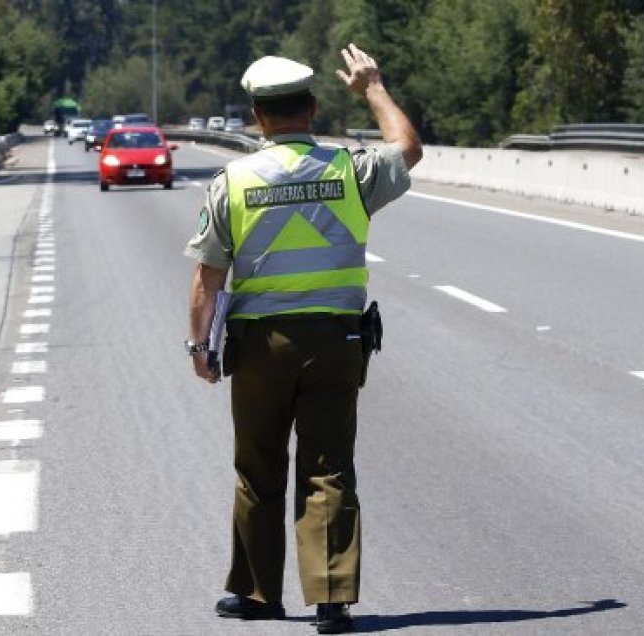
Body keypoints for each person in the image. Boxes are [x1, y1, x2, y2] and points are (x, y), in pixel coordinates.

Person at [183, 43, 422, 635]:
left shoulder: (233, 181)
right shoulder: (349, 170)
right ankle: (333, 598)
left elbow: (207, 277)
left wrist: (199, 348)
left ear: (258, 117)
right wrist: (371, 87)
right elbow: (409, 148)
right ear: (312, 109)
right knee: (329, 468)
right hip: (336, 342)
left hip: (260, 346)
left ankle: (258, 593)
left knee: (258, 468)